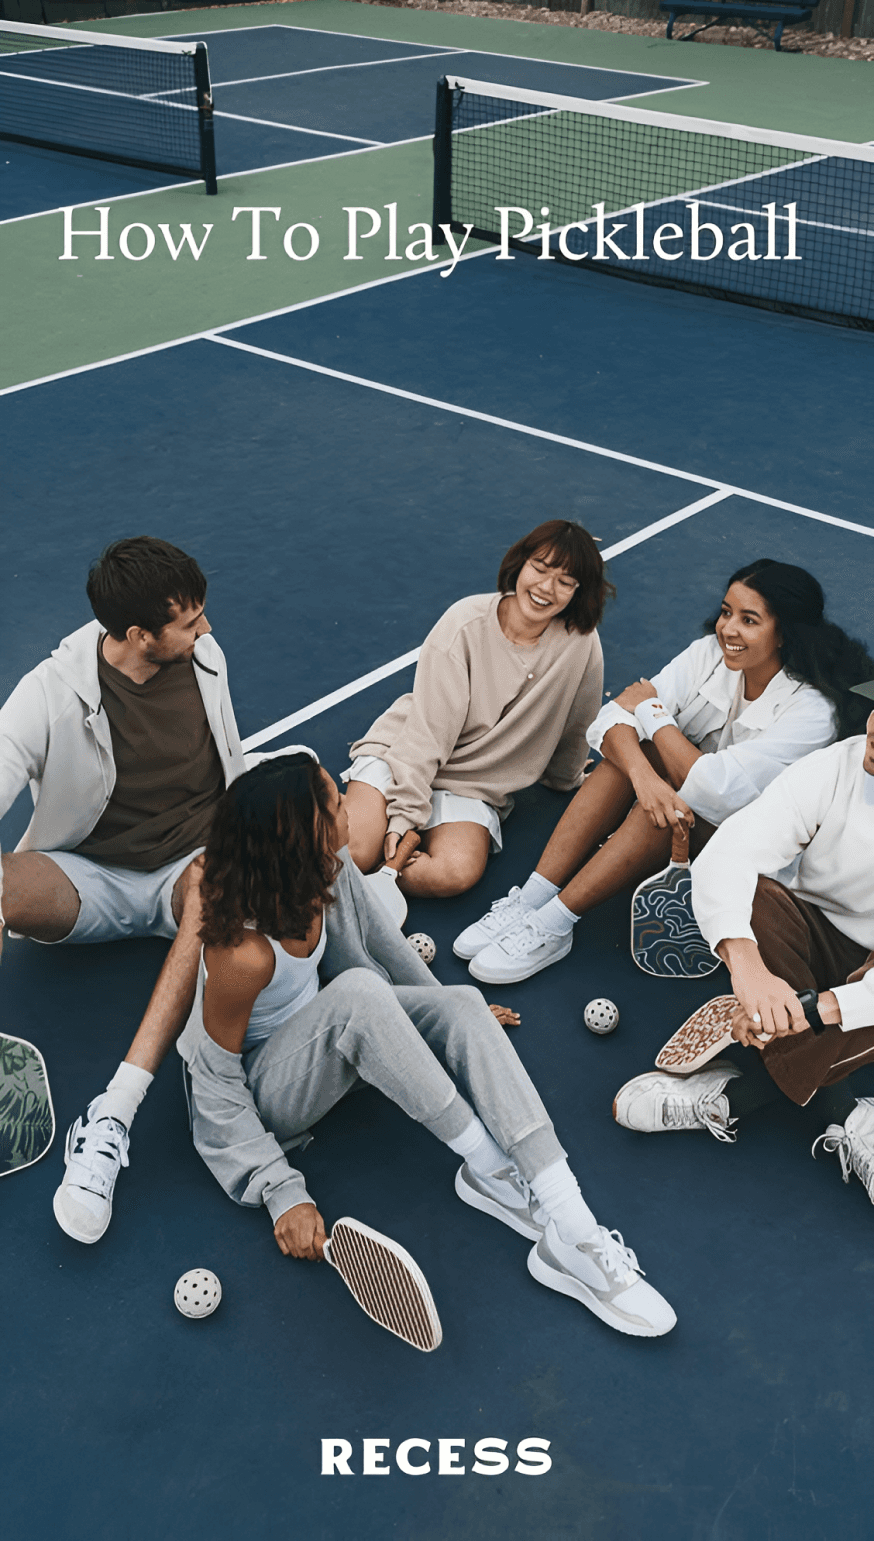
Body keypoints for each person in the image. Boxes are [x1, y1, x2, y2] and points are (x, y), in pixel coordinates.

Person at [177, 752, 677, 1339]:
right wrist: (279, 1190)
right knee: (361, 994)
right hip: (271, 1093)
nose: (346, 800)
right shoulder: (242, 951)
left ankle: (573, 1226)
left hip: (332, 1026)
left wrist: (444, 1017)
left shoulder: (325, 865)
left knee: (464, 1005)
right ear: (300, 837)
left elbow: (382, 945)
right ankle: (489, 1165)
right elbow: (212, 1081)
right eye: (335, 802)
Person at [456, 559, 874, 984]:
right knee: (635, 759)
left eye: (749, 620)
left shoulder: (811, 712)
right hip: (686, 803)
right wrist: (644, 777)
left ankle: (555, 924)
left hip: (751, 850)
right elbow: (611, 719)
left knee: (672, 795)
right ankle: (533, 897)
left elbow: (716, 789)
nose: (728, 629)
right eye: (727, 612)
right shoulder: (708, 655)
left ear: (785, 633)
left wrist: (653, 712)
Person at [0, 537, 248, 1245]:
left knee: (214, 881)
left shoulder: (207, 659)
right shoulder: (48, 694)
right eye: (190, 621)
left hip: (189, 871)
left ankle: (113, 1112)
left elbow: (228, 760)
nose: (206, 629)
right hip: (91, 879)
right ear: (139, 635)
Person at [612, 684, 874, 1208]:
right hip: (806, 929)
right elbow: (732, 848)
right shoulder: (837, 766)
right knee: (751, 894)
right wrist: (747, 966)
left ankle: (737, 1096)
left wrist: (813, 1010)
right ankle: (849, 1114)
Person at [343, 520, 609, 898]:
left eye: (566, 581)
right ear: (520, 562)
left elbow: (579, 720)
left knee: (452, 875)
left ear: (579, 592)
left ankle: (359, 883)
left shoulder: (581, 644)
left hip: (474, 785)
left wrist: (565, 778)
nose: (546, 588)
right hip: (404, 755)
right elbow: (428, 732)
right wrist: (405, 814)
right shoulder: (463, 622)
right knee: (356, 851)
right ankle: (338, 841)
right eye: (540, 567)